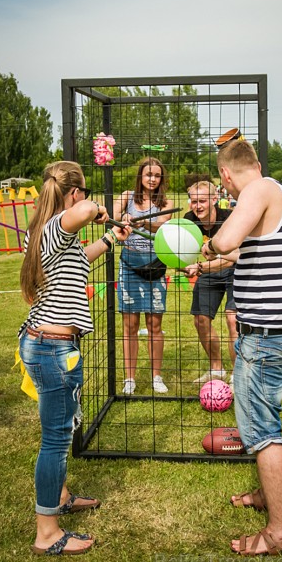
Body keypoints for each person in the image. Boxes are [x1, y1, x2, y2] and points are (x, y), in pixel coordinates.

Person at [18, 161, 131, 556]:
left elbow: (79, 259)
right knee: (55, 440)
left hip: (49, 345)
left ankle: (61, 495)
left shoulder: (52, 233)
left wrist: (112, 236)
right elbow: (82, 214)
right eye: (82, 194)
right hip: (51, 349)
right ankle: (47, 532)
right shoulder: (58, 224)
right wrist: (99, 209)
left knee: (59, 430)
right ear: (75, 193)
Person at [202, 139, 282, 558]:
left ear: (226, 175)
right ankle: (265, 493)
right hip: (274, 331)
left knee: (263, 433)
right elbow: (250, 249)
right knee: (266, 418)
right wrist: (209, 266)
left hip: (262, 335)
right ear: (255, 162)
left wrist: (208, 247)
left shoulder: (257, 190)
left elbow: (225, 240)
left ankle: (279, 533)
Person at [113, 157, 174, 395]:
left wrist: (142, 223)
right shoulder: (127, 196)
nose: (153, 179)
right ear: (141, 176)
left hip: (154, 266)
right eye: (149, 175)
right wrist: (122, 219)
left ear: (162, 179)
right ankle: (130, 378)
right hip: (129, 263)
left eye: (157, 175)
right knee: (129, 324)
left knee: (154, 324)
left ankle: (156, 377)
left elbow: (160, 226)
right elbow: (113, 217)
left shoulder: (165, 201)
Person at [182, 181, 237, 386]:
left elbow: (234, 256)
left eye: (203, 201)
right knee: (200, 320)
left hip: (234, 270)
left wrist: (202, 268)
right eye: (194, 201)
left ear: (214, 199)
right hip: (208, 270)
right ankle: (217, 369)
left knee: (233, 319)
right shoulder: (188, 220)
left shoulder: (230, 217)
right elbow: (183, 253)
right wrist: (185, 266)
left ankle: (236, 375)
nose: (198, 206)